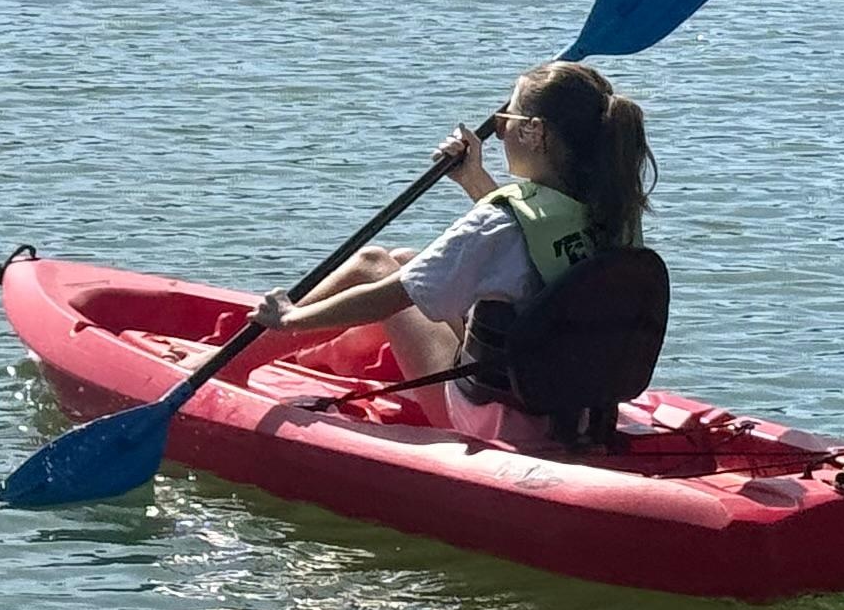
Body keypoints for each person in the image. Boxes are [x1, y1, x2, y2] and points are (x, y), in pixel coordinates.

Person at [252, 59, 652, 442]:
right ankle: (326, 350)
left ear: (535, 132)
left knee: (374, 265)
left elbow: (389, 296)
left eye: (505, 120)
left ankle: (232, 363)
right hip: (573, 409)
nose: (497, 129)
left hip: (492, 417)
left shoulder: (500, 223)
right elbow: (523, 243)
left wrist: (292, 317)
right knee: (408, 259)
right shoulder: (614, 215)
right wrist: (473, 179)